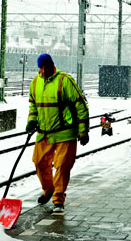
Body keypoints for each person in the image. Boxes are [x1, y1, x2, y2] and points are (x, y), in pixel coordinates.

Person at [26, 53, 90, 213]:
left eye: (45, 67)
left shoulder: (64, 81)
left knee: (62, 166)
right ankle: (48, 190)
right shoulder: (35, 83)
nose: (43, 71)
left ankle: (58, 200)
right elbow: (33, 105)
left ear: (52, 65)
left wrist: (83, 130)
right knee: (39, 162)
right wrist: (32, 120)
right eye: (40, 68)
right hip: (44, 133)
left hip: (65, 132)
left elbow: (81, 106)